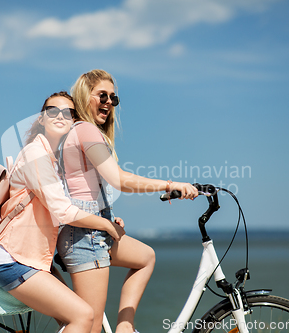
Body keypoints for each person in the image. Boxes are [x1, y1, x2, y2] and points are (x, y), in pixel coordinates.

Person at [57, 70, 198, 333]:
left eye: (113, 98)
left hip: (94, 230)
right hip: (85, 237)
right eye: (102, 95)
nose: (109, 102)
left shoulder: (82, 133)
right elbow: (119, 180)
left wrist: (108, 216)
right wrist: (171, 184)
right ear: (85, 96)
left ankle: (125, 327)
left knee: (145, 257)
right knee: (90, 327)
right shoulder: (85, 130)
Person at [0, 91, 125, 333]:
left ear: (74, 121)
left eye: (68, 113)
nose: (60, 116)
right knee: (83, 316)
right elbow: (63, 210)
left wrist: (106, 218)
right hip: (13, 260)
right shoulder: (35, 154)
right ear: (41, 118)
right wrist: (106, 226)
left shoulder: (54, 158)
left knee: (77, 320)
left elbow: (68, 205)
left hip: (32, 259)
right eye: (52, 111)